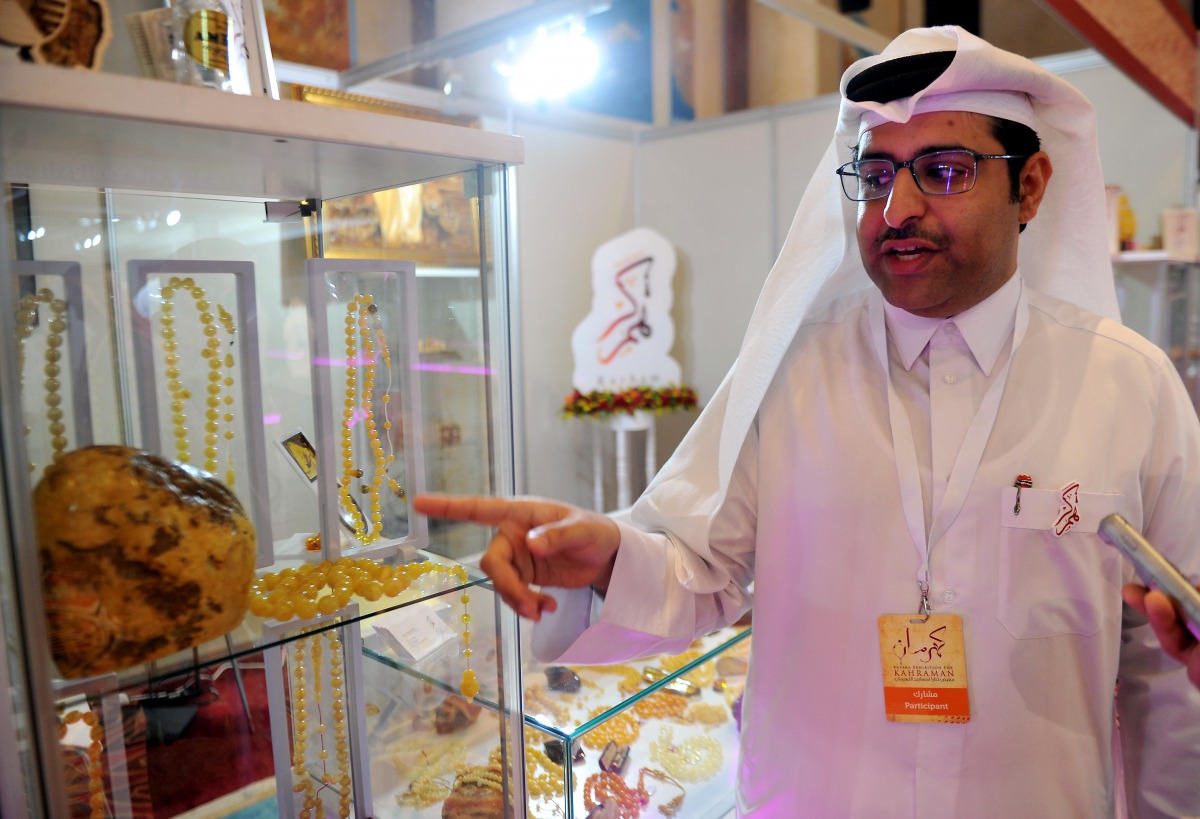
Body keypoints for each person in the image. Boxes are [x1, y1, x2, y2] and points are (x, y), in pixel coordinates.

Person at [415, 26, 1200, 817]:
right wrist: (607, 559)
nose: (897, 208)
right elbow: (702, 570)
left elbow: (1172, 668)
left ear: (1029, 186)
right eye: (876, 174)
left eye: (945, 170)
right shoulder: (791, 368)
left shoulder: (1129, 387)